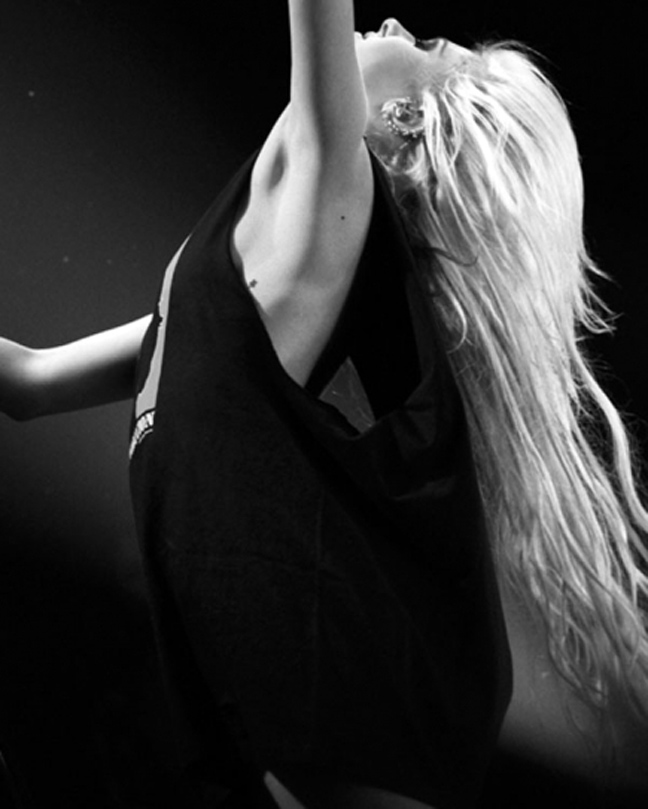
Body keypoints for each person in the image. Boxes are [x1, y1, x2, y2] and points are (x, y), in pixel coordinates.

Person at [1, 3, 648, 808]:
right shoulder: (219, 293)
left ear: (403, 117)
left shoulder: (330, 198)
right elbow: (26, 384)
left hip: (335, 732)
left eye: (423, 44)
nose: (392, 22)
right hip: (296, 739)